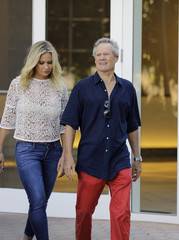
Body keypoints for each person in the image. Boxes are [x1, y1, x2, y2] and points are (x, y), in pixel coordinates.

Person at [59, 37, 142, 240]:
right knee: (84, 212)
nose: (102, 58)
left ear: (116, 58)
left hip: (119, 160)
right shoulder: (82, 87)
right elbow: (70, 123)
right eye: (98, 55)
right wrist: (67, 155)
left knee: (121, 213)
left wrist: (137, 158)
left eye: (106, 54)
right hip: (91, 161)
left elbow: (133, 127)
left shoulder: (128, 89)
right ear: (94, 59)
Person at [0, 40, 68, 240]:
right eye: (41, 62)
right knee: (37, 200)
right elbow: (7, 117)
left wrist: (66, 154)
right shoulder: (18, 84)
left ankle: (27, 236)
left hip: (53, 151)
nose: (46, 67)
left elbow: (64, 123)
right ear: (33, 62)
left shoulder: (60, 87)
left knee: (40, 203)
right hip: (27, 150)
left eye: (49, 63)